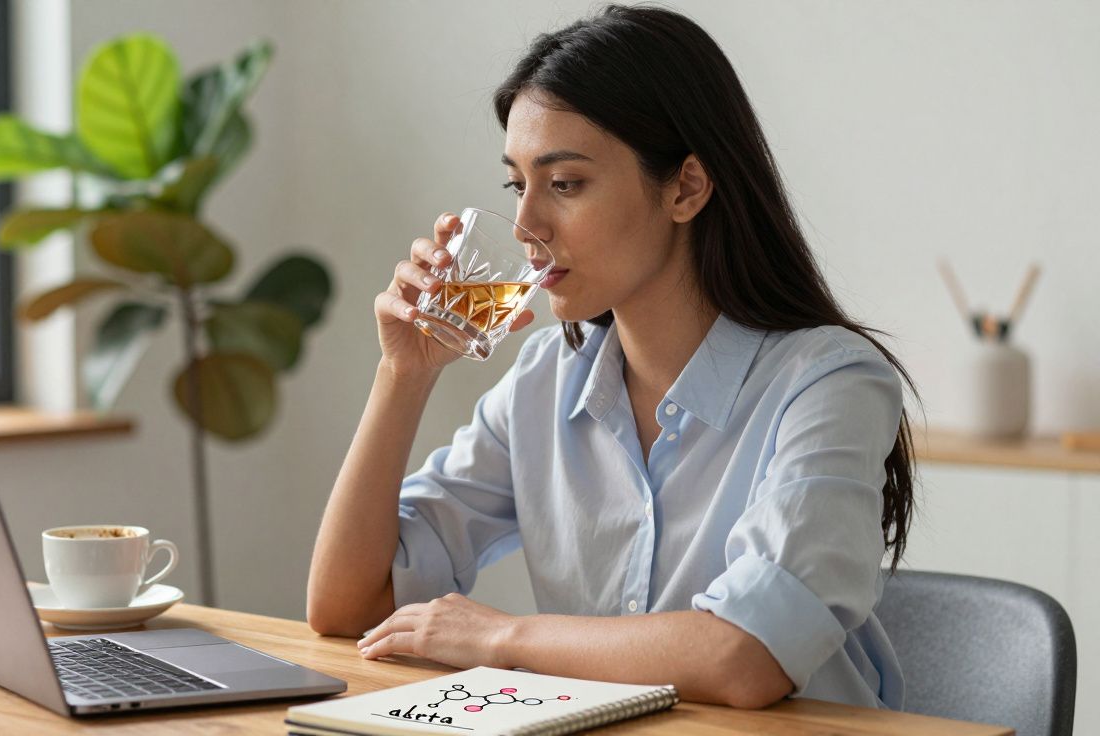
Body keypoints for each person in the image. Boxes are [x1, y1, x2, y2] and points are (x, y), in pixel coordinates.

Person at [307, 3, 917, 711]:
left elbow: (746, 655)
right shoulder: (546, 379)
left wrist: (503, 641)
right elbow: (347, 605)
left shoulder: (829, 383)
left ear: (686, 186)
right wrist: (402, 375)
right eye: (517, 185)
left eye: (564, 184)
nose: (528, 226)